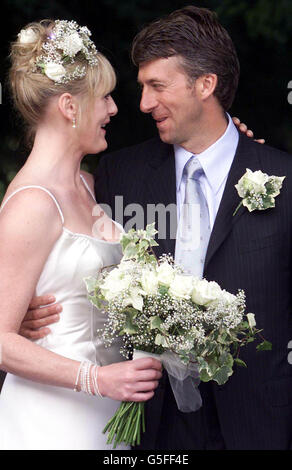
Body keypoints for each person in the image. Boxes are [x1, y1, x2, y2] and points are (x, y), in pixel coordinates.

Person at [19, 6, 290, 450]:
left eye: (157, 86)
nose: (143, 104)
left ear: (206, 85)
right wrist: (26, 311)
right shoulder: (117, 175)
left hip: (258, 422)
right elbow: (68, 252)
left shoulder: (283, 181)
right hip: (143, 419)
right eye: (142, 86)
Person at [0, 19, 162, 451]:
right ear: (70, 107)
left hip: (107, 412)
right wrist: (97, 379)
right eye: (104, 97)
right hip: (51, 419)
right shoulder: (31, 204)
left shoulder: (92, 184)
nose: (113, 110)